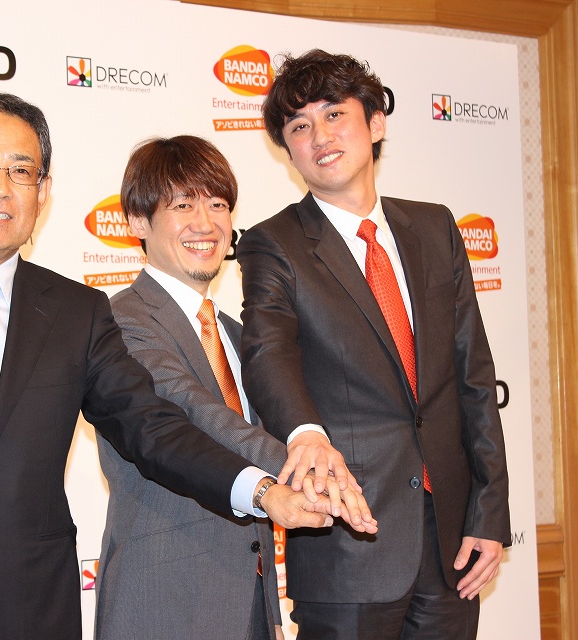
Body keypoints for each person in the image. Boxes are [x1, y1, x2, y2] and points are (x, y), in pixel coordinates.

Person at [0, 92, 346, 640]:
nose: (1, 187)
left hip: (34, 608)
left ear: (42, 193)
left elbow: (151, 429)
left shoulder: (76, 311)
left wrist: (262, 491)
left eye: (21, 171)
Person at [237, 51, 511, 640]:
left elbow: (473, 377)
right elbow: (267, 352)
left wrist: (489, 512)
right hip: (346, 540)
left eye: (335, 114)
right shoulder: (272, 243)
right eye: (299, 126)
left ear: (376, 123)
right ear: (288, 151)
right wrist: (305, 433)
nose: (320, 136)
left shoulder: (435, 228)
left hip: (452, 543)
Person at [94, 136, 378, 640]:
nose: (205, 224)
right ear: (137, 221)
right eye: (183, 205)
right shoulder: (121, 321)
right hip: (164, 599)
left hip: (251, 600)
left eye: (218, 205)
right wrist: (309, 468)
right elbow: (196, 414)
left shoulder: (235, 333)